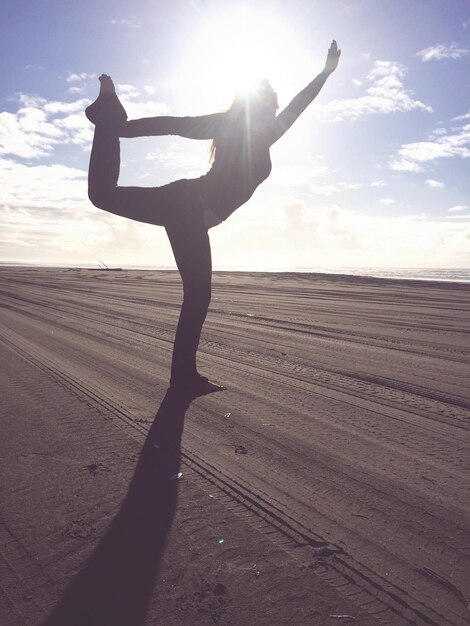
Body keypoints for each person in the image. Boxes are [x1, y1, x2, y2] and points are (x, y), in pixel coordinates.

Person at [86, 40, 341, 395]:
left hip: (185, 205)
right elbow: (176, 124)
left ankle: (107, 116)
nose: (276, 107)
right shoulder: (245, 127)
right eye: (271, 102)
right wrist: (324, 74)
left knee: (103, 196)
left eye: (274, 103)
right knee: (197, 294)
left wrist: (122, 129)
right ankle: (183, 378)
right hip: (188, 207)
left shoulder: (249, 129)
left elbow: (176, 124)